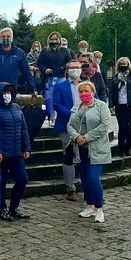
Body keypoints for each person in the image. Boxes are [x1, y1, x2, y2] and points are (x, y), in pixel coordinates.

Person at [0, 82, 32, 221]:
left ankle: (14, 207)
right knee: (2, 182)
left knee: (22, 180)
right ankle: (2, 208)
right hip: (2, 154)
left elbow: (24, 129)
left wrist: (27, 147)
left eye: (9, 93)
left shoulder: (17, 108)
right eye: (5, 93)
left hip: (17, 152)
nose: (7, 95)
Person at [68, 81, 112, 223]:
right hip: (80, 149)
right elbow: (70, 126)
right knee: (85, 179)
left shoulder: (101, 106)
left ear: (92, 91)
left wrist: (86, 138)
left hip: (97, 149)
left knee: (93, 178)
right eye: (81, 91)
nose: (83, 93)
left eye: (86, 90)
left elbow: (104, 126)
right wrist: (77, 137)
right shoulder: (76, 108)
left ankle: (99, 207)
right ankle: (90, 205)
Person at [53, 59, 83, 201]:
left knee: (86, 156)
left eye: (77, 67)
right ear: (67, 70)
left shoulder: (87, 85)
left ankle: (88, 185)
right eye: (72, 67)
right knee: (68, 155)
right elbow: (57, 105)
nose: (75, 70)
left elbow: (95, 101)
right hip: (66, 125)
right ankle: (70, 188)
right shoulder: (60, 87)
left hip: (85, 126)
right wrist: (72, 114)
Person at [108, 57, 131, 156]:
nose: (123, 65)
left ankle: (128, 148)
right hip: (120, 106)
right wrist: (111, 105)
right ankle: (121, 148)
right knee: (122, 127)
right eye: (121, 64)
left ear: (128, 65)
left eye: (125, 63)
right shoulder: (115, 77)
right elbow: (111, 92)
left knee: (130, 128)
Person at [38, 31, 74, 122]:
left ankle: (62, 116)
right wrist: (45, 69)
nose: (54, 41)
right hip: (49, 77)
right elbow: (40, 63)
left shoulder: (64, 51)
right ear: (49, 40)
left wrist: (64, 67)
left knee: (62, 97)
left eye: (56, 39)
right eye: (52, 39)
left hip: (61, 77)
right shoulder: (45, 51)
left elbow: (69, 62)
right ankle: (52, 117)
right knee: (50, 99)